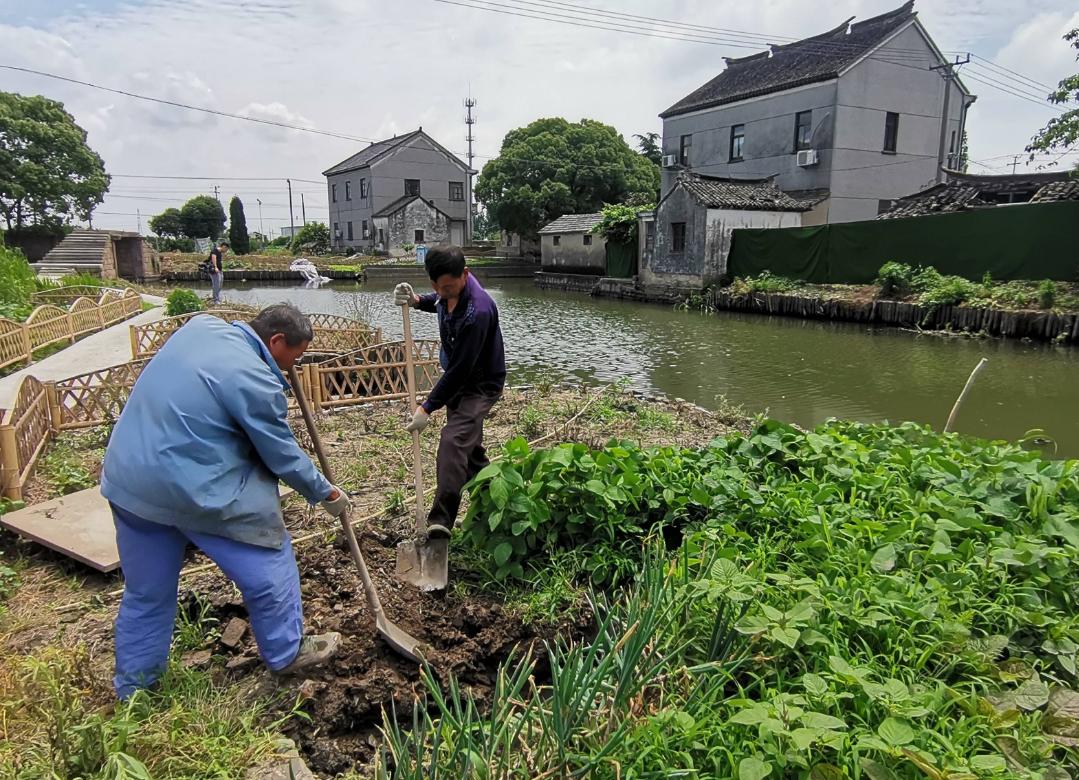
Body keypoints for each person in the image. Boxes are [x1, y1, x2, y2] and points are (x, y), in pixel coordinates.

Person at [101, 303, 350, 700]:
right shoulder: (254, 379)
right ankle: (287, 652)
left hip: (131, 482)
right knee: (271, 561)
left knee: (146, 593)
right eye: (294, 358)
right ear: (276, 341)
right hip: (189, 490)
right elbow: (281, 454)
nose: (292, 368)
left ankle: (136, 692)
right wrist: (327, 492)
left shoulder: (200, 327)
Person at [394, 245, 506, 539]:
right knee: (470, 452)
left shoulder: (477, 312)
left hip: (480, 384)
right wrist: (418, 301)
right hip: (460, 378)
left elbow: (460, 370)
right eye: (441, 287)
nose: (447, 290)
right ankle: (496, 503)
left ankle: (440, 521)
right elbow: (441, 302)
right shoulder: (446, 294)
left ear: (465, 274)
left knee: (453, 440)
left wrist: (427, 407)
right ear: (434, 284)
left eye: (453, 285)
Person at [208, 240, 228, 304]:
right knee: (216, 285)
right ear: (224, 247)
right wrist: (215, 267)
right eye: (226, 249)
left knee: (220, 284)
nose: (226, 251)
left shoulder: (220, 252)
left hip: (219, 270)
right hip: (214, 270)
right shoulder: (215, 251)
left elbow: (219, 260)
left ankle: (217, 297)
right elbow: (213, 258)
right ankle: (215, 300)